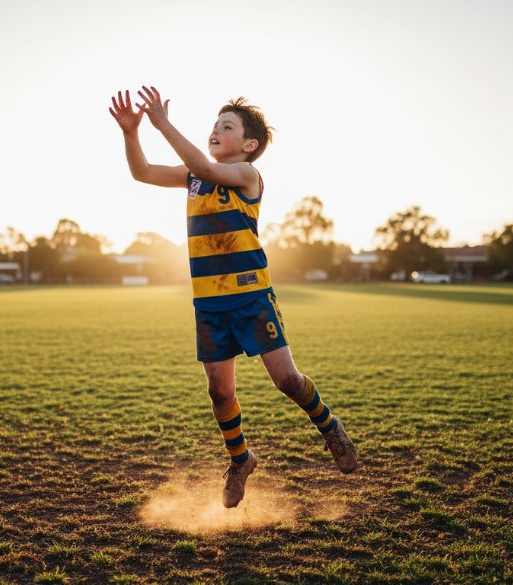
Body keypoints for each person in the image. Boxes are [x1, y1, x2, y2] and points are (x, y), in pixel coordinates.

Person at [109, 86, 358, 508]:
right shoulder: (192, 176)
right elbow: (143, 173)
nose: (215, 130)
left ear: (249, 145)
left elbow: (205, 166)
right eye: (214, 124)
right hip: (209, 303)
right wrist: (132, 134)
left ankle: (329, 425)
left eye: (226, 126)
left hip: (251, 296)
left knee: (287, 381)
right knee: (219, 393)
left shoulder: (247, 176)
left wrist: (164, 124)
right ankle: (241, 460)